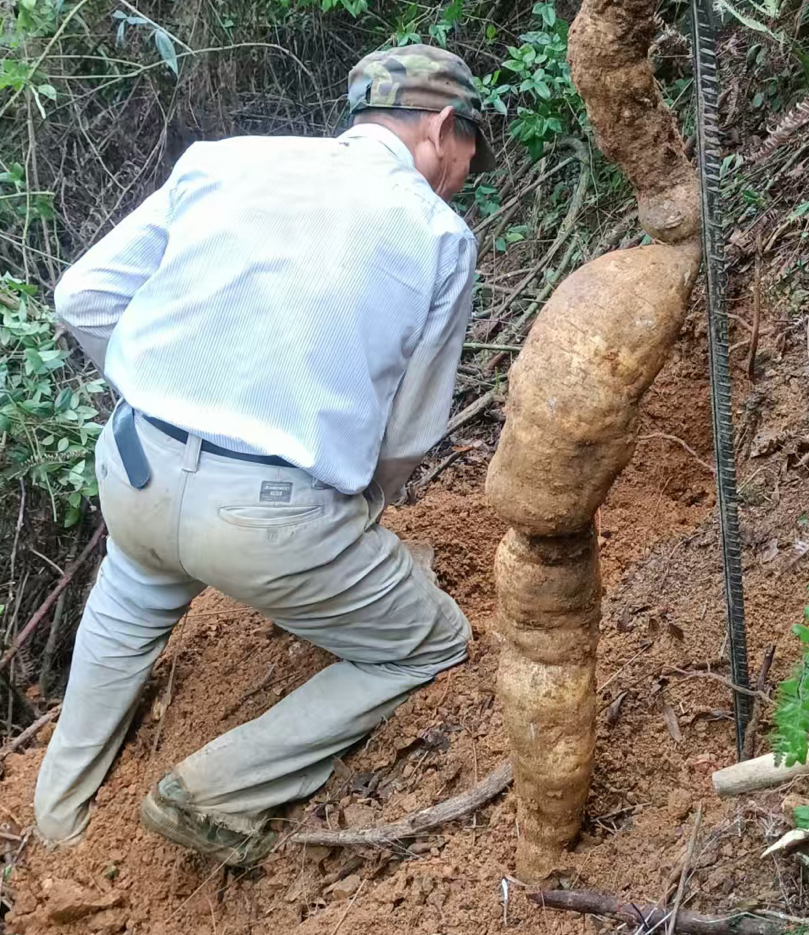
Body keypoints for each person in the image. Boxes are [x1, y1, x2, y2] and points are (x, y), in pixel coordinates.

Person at [33, 44, 495, 866]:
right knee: (428, 644)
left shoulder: (226, 161)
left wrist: (158, 390)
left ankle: (57, 827)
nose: (465, 174)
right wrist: (356, 515)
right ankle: (217, 788)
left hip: (134, 465)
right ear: (441, 127)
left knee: (125, 609)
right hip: (269, 518)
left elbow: (82, 296)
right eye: (468, 155)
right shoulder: (437, 235)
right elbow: (410, 434)